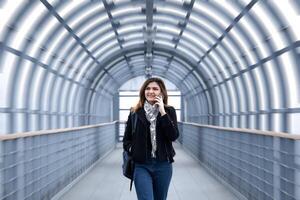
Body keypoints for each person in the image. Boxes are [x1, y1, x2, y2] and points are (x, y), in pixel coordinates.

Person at [123, 77, 179, 200]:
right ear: (143, 92)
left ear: (162, 93)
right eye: (147, 88)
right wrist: (134, 150)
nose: (151, 91)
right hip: (141, 165)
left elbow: (173, 136)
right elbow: (126, 140)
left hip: (163, 164)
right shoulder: (135, 112)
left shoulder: (169, 111)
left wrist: (163, 112)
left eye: (155, 89)